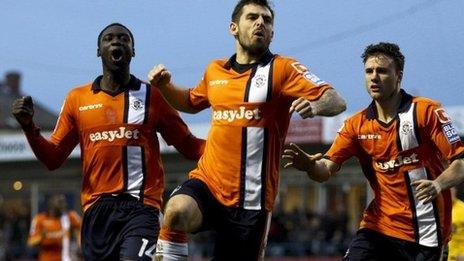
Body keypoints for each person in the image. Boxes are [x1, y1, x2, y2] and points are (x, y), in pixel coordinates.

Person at [148, 0, 346, 259]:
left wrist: (315, 105)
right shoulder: (215, 70)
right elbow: (190, 101)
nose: (260, 23)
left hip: (252, 200)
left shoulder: (283, 69)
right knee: (175, 212)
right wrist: (165, 87)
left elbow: (336, 100)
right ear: (233, 27)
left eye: (266, 20)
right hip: (208, 183)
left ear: (272, 32)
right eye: (252, 17)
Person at [11, 23, 205, 261]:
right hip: (96, 213)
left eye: (124, 38)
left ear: (133, 51)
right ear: (98, 50)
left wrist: (228, 148)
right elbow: (53, 159)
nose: (117, 42)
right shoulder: (77, 99)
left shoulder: (153, 96)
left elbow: (188, 145)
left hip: (141, 209)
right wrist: (29, 127)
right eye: (109, 38)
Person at [282, 42, 464, 260]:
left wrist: (437, 184)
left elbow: (460, 163)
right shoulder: (355, 125)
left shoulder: (426, 112)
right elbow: (325, 171)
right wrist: (310, 166)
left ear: (399, 75)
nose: (374, 77)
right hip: (378, 228)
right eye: (369, 71)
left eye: (382, 71)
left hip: (427, 233)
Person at [28, 194, 81, 261]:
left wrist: (80, 245)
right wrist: (42, 236)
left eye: (63, 202)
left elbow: (81, 230)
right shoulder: (40, 219)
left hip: (65, 258)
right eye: (59, 202)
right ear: (51, 204)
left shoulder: (70, 216)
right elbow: (31, 242)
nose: (63, 205)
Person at [449, 186, 464, 261]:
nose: (449, 193)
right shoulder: (439, 209)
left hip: (458, 257)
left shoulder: (462, 209)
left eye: (451, 189)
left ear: (455, 190)